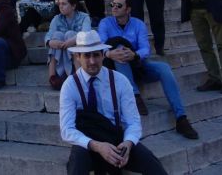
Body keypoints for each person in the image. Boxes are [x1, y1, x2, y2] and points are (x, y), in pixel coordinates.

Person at [59, 30, 167, 175]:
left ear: (103, 55)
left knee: (152, 163)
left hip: (116, 140)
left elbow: (133, 122)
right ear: (77, 57)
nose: (92, 61)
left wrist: (128, 144)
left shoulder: (120, 81)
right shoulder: (70, 85)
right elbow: (67, 130)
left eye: (96, 55)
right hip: (88, 143)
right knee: (77, 162)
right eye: (87, 55)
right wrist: (97, 146)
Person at [97, 0, 199, 139]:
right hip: (114, 67)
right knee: (120, 52)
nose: (114, 7)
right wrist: (109, 53)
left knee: (164, 68)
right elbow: (100, 44)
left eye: (119, 5)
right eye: (112, 4)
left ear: (128, 9)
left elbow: (145, 48)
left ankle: (181, 118)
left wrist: (135, 55)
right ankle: (135, 95)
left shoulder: (138, 24)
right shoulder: (105, 23)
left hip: (137, 64)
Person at [45, 0, 91, 90]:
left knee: (70, 34)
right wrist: (50, 42)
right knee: (56, 35)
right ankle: (52, 76)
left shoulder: (84, 17)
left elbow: (86, 33)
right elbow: (49, 35)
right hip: (60, 53)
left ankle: (78, 73)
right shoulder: (56, 18)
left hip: (78, 54)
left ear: (73, 6)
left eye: (64, 4)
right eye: (59, 4)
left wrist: (72, 40)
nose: (60, 7)